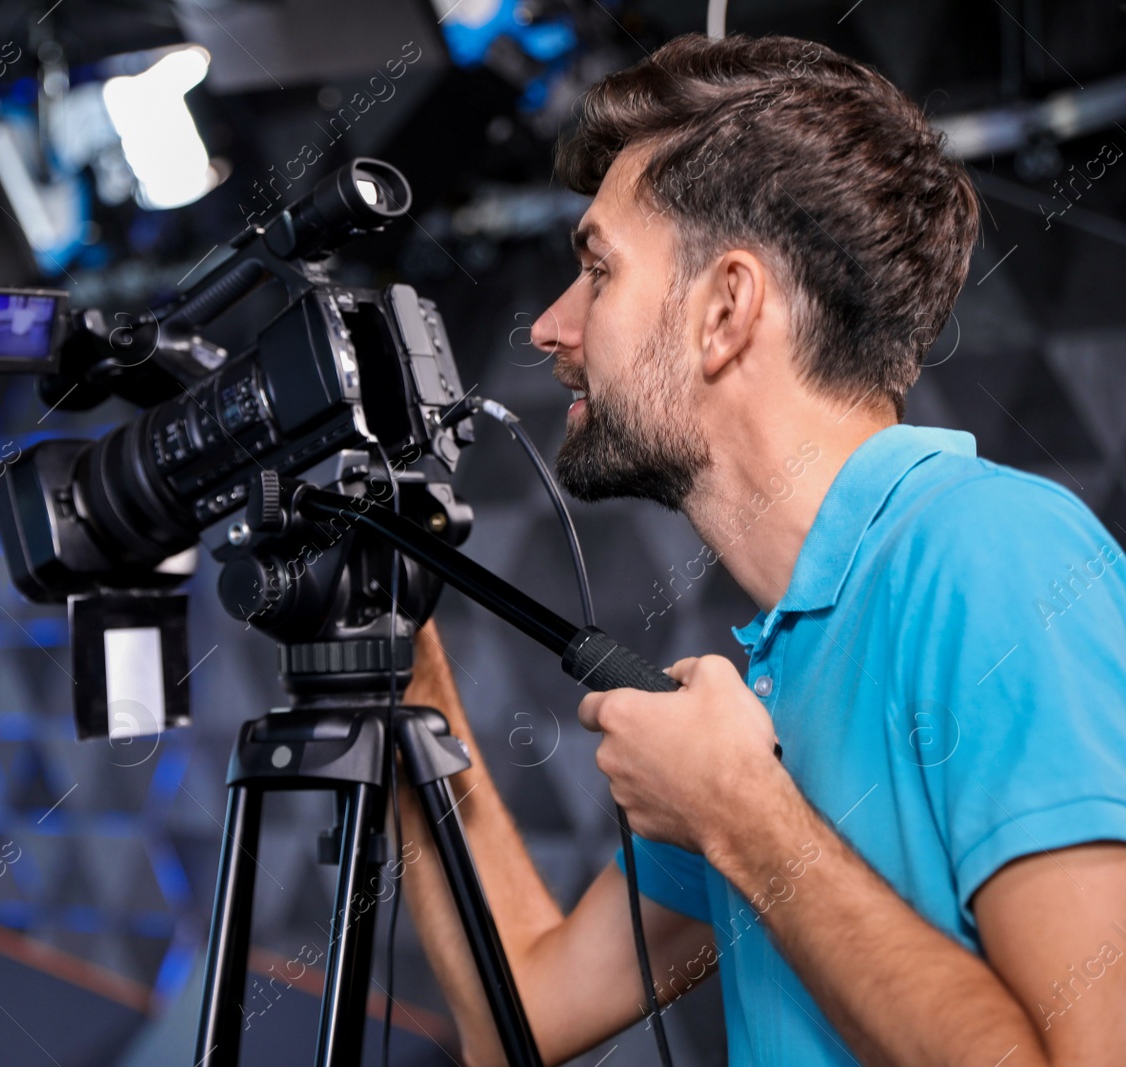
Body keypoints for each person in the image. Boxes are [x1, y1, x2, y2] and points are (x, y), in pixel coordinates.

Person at [398, 32, 1126, 1067]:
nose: (551, 327)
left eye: (597, 268)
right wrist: (400, 664)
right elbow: (520, 1006)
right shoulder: (773, 681)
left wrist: (740, 817)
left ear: (725, 310)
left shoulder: (991, 554)